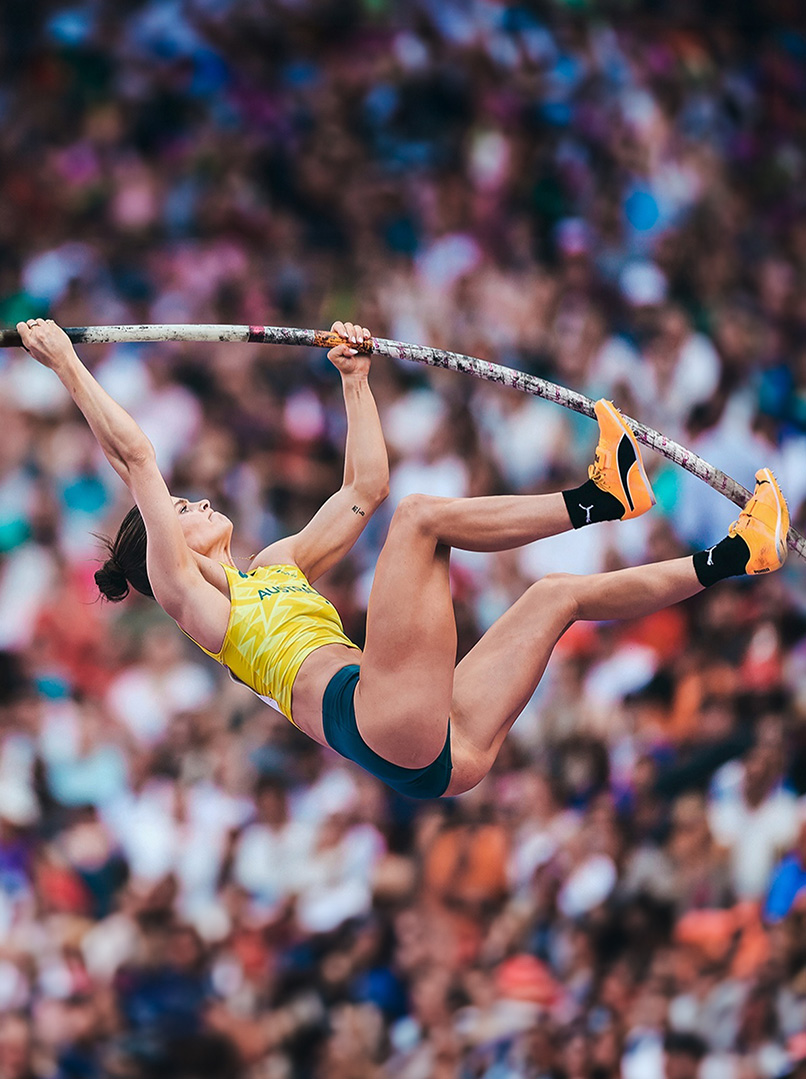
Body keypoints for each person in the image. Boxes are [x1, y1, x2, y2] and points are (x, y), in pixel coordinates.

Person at [16, 318, 790, 801]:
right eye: (180, 511)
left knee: (557, 594)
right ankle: (602, 498)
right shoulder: (192, 600)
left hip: (440, 753)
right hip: (384, 719)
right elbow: (136, 455)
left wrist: (356, 382)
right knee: (422, 522)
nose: (191, 502)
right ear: (163, 550)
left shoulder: (278, 563)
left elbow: (365, 486)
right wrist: (64, 364)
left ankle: (736, 552)